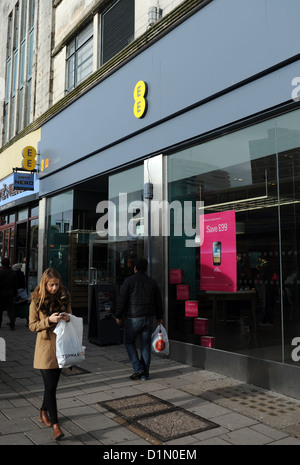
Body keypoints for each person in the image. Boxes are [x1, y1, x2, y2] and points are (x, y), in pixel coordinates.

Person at [29, 268, 72, 440]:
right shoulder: (36, 301)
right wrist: (49, 320)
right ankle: (56, 426)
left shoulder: (64, 298)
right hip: (45, 348)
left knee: (51, 386)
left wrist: (67, 317)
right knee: (51, 388)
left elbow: (71, 314)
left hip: (61, 347)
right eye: (51, 285)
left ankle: (43, 411)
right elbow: (32, 325)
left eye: (57, 285)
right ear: (45, 284)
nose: (55, 288)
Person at [115, 258, 163, 381]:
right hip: (148, 317)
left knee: (129, 342)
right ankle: (144, 374)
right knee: (145, 346)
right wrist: (159, 316)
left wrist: (118, 315)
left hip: (133, 318)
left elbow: (122, 300)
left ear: (135, 268)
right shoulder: (152, 282)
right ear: (146, 268)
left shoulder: (129, 281)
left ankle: (138, 368)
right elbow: (158, 300)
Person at [0, 258, 18, 330]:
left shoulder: (1, 272)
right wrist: (15, 293)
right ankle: (12, 324)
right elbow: (16, 284)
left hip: (1, 293)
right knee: (11, 309)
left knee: (0, 309)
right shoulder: (13, 273)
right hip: (10, 293)